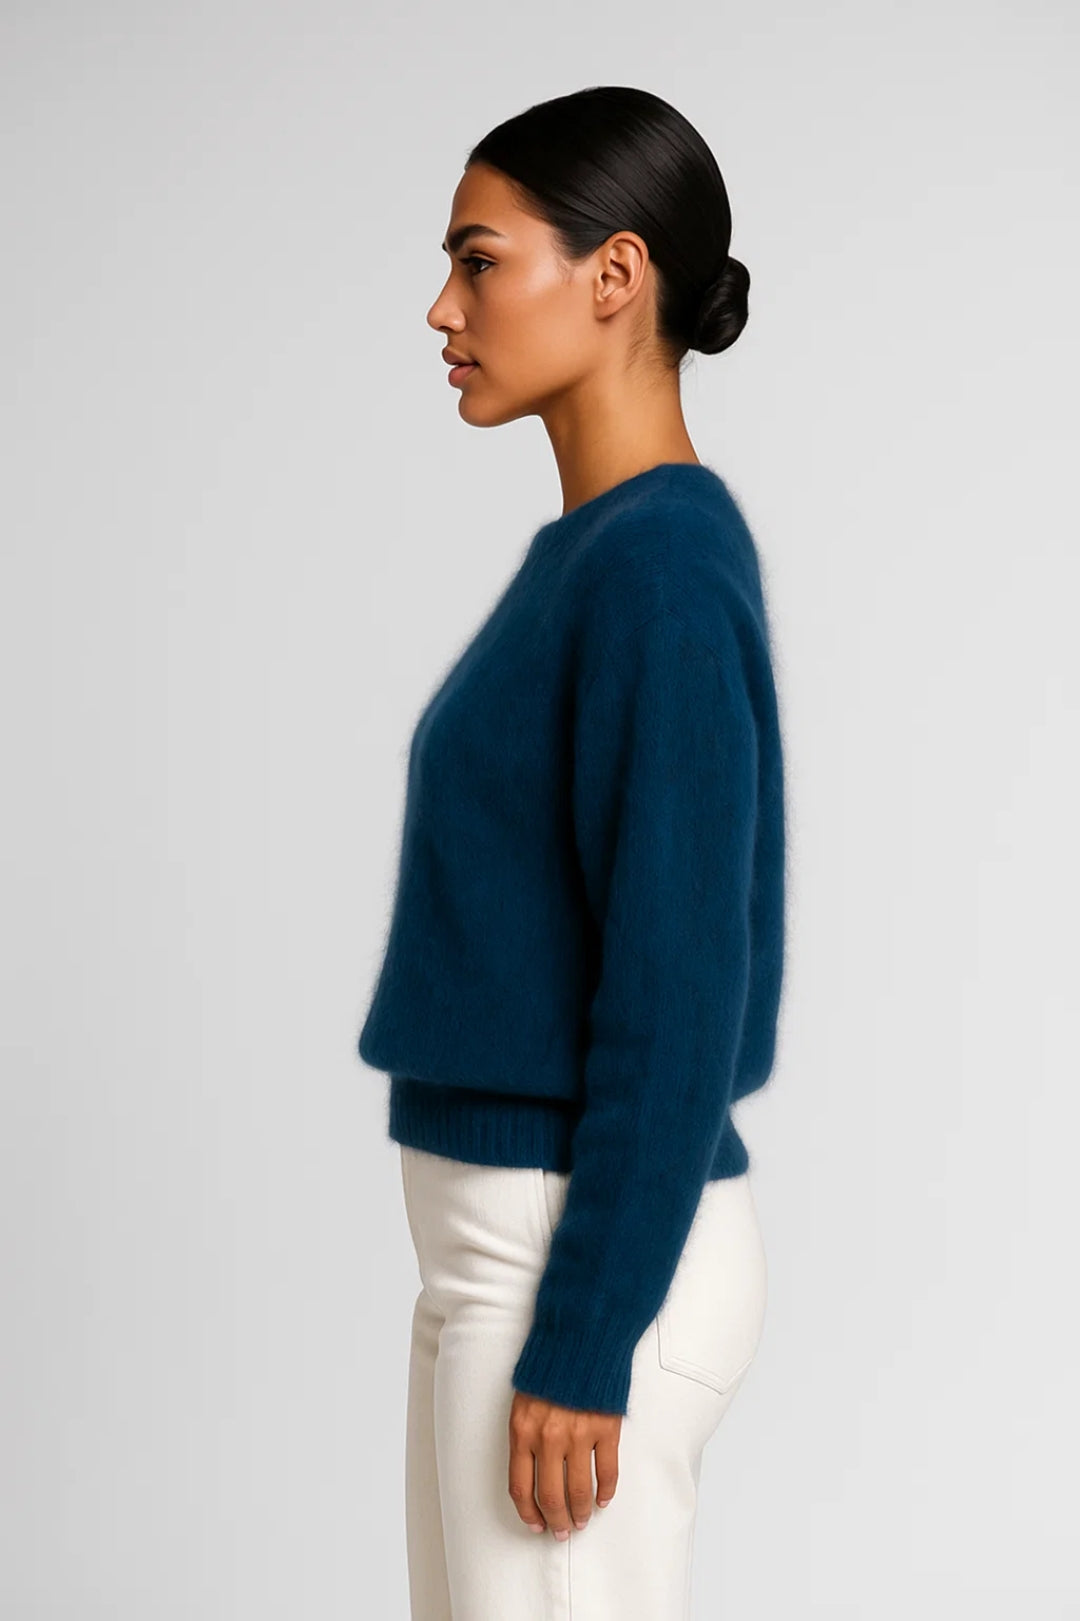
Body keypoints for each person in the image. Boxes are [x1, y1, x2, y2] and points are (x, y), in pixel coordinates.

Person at [357, 83, 787, 1620]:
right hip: (506, 1248)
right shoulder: (599, 554)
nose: (443, 307)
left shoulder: (658, 569)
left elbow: (681, 988)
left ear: (615, 277)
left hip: (573, 1251)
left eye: (479, 261)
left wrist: (590, 1327)